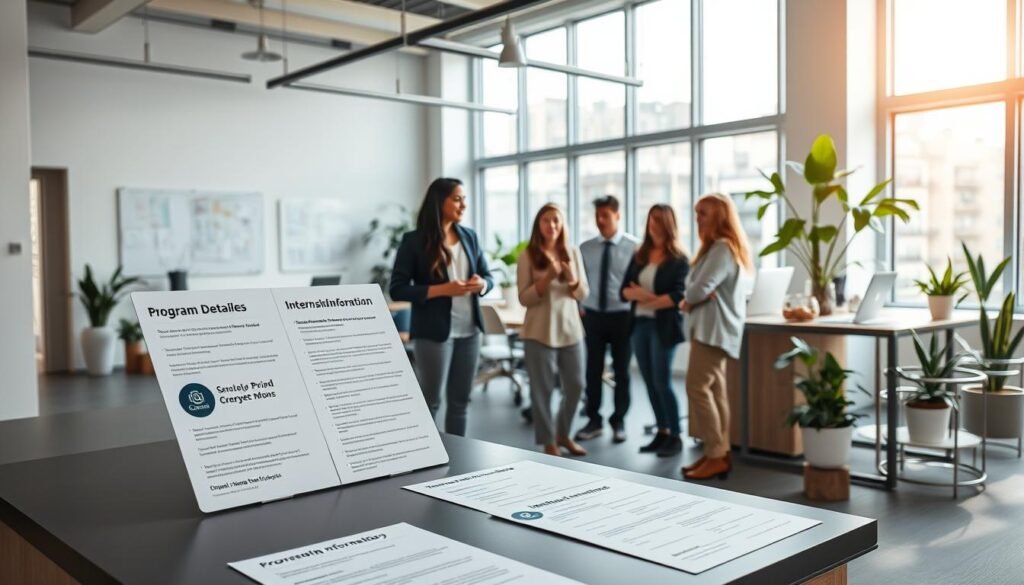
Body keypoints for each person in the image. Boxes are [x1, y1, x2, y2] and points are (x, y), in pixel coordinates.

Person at [390, 178, 493, 437]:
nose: (463, 205)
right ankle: (425, 456)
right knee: (430, 402)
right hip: (433, 333)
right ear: (440, 202)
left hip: (470, 331)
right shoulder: (414, 241)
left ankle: (458, 460)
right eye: (457, 199)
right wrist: (441, 290)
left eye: (464, 199)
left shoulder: (469, 237)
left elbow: (489, 277)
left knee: (460, 403)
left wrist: (482, 283)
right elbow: (398, 288)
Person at [678, 193, 753, 480]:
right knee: (715, 390)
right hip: (713, 330)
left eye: (703, 213)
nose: (697, 218)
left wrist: (692, 297)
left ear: (720, 216)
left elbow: (696, 290)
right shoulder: (717, 249)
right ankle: (718, 452)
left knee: (697, 388)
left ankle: (715, 455)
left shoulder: (722, 249)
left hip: (714, 331)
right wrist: (695, 293)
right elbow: (697, 289)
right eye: (697, 212)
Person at [518, 204, 590, 457]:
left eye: (556, 221)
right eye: (547, 221)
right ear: (539, 224)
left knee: (576, 386)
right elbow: (524, 298)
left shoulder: (573, 252)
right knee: (542, 391)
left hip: (571, 331)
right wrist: (547, 277)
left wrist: (571, 278)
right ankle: (549, 441)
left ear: (563, 225)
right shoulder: (528, 255)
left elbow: (583, 294)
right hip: (539, 332)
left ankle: (564, 434)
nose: (552, 226)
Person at [621, 205, 690, 457]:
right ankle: (661, 431)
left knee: (662, 381)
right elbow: (623, 291)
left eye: (658, 221)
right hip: (639, 324)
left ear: (668, 224)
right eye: (650, 220)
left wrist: (642, 295)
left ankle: (676, 434)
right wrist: (645, 297)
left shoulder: (679, 259)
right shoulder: (640, 254)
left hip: (664, 327)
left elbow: (677, 296)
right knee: (649, 381)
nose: (653, 226)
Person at [574, 196, 639, 444]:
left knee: (622, 371)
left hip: (623, 315)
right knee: (592, 369)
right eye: (597, 216)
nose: (600, 221)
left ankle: (618, 420)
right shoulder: (585, 248)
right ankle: (594, 419)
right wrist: (580, 306)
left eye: (606, 216)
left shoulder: (634, 247)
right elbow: (579, 282)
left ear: (617, 216)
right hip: (593, 315)